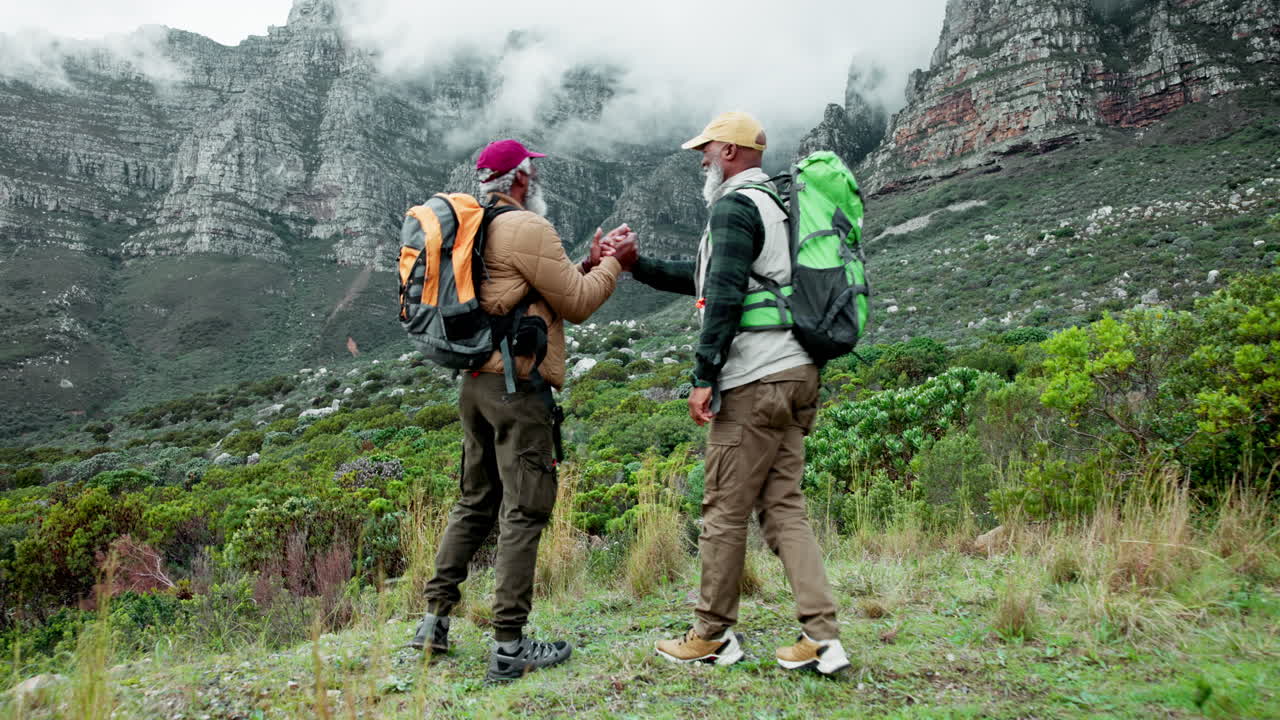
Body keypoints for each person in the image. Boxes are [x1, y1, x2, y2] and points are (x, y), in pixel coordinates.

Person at [604, 112, 850, 674]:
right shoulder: (782, 206)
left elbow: (725, 298)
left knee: (722, 511)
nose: (702, 160)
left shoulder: (735, 207)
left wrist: (703, 375)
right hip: (799, 373)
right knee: (785, 507)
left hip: (754, 379)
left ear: (733, 153)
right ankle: (824, 638)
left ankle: (712, 635)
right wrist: (636, 265)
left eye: (708, 150)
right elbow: (709, 279)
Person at [409, 139, 637, 682]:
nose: (532, 180)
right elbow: (578, 303)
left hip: (474, 385)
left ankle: (432, 625)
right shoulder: (527, 227)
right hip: (516, 390)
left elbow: (533, 290)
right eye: (530, 172)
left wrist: (587, 263)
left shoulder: (473, 227)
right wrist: (615, 267)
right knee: (524, 509)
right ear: (520, 178)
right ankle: (509, 645)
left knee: (474, 502)